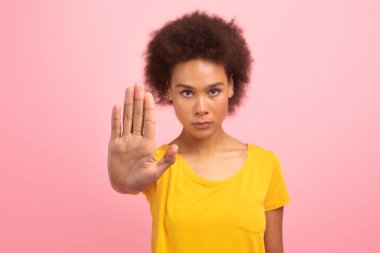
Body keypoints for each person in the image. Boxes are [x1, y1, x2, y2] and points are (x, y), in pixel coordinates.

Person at [107, 10, 291, 253]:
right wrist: (121, 183)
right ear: (169, 91)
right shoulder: (157, 165)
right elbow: (128, 184)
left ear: (231, 86)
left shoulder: (265, 165)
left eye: (213, 91)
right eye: (187, 92)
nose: (201, 108)